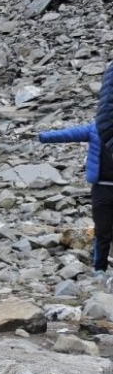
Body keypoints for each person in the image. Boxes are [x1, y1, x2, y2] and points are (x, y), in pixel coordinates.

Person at [39, 62, 113, 274]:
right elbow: (68, 134)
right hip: (101, 188)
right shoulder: (96, 128)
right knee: (103, 231)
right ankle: (99, 269)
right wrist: (43, 137)